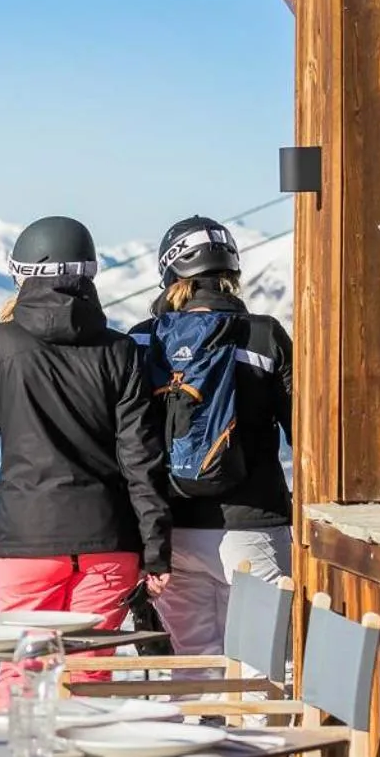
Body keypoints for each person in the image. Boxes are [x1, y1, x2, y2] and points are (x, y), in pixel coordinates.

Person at [0, 215, 173, 757]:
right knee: (85, 677)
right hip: (107, 541)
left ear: (22, 273)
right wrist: (157, 549)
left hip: (28, 541)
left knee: (19, 670)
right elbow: (142, 463)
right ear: (90, 275)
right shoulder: (121, 353)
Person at [129, 216, 294, 663]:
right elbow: (303, 432)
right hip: (253, 522)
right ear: (231, 274)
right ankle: (259, 736)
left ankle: (197, 730)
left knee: (192, 664)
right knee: (262, 668)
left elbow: (128, 441)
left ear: (169, 273)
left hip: (172, 531)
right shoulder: (264, 335)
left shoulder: (143, 341)